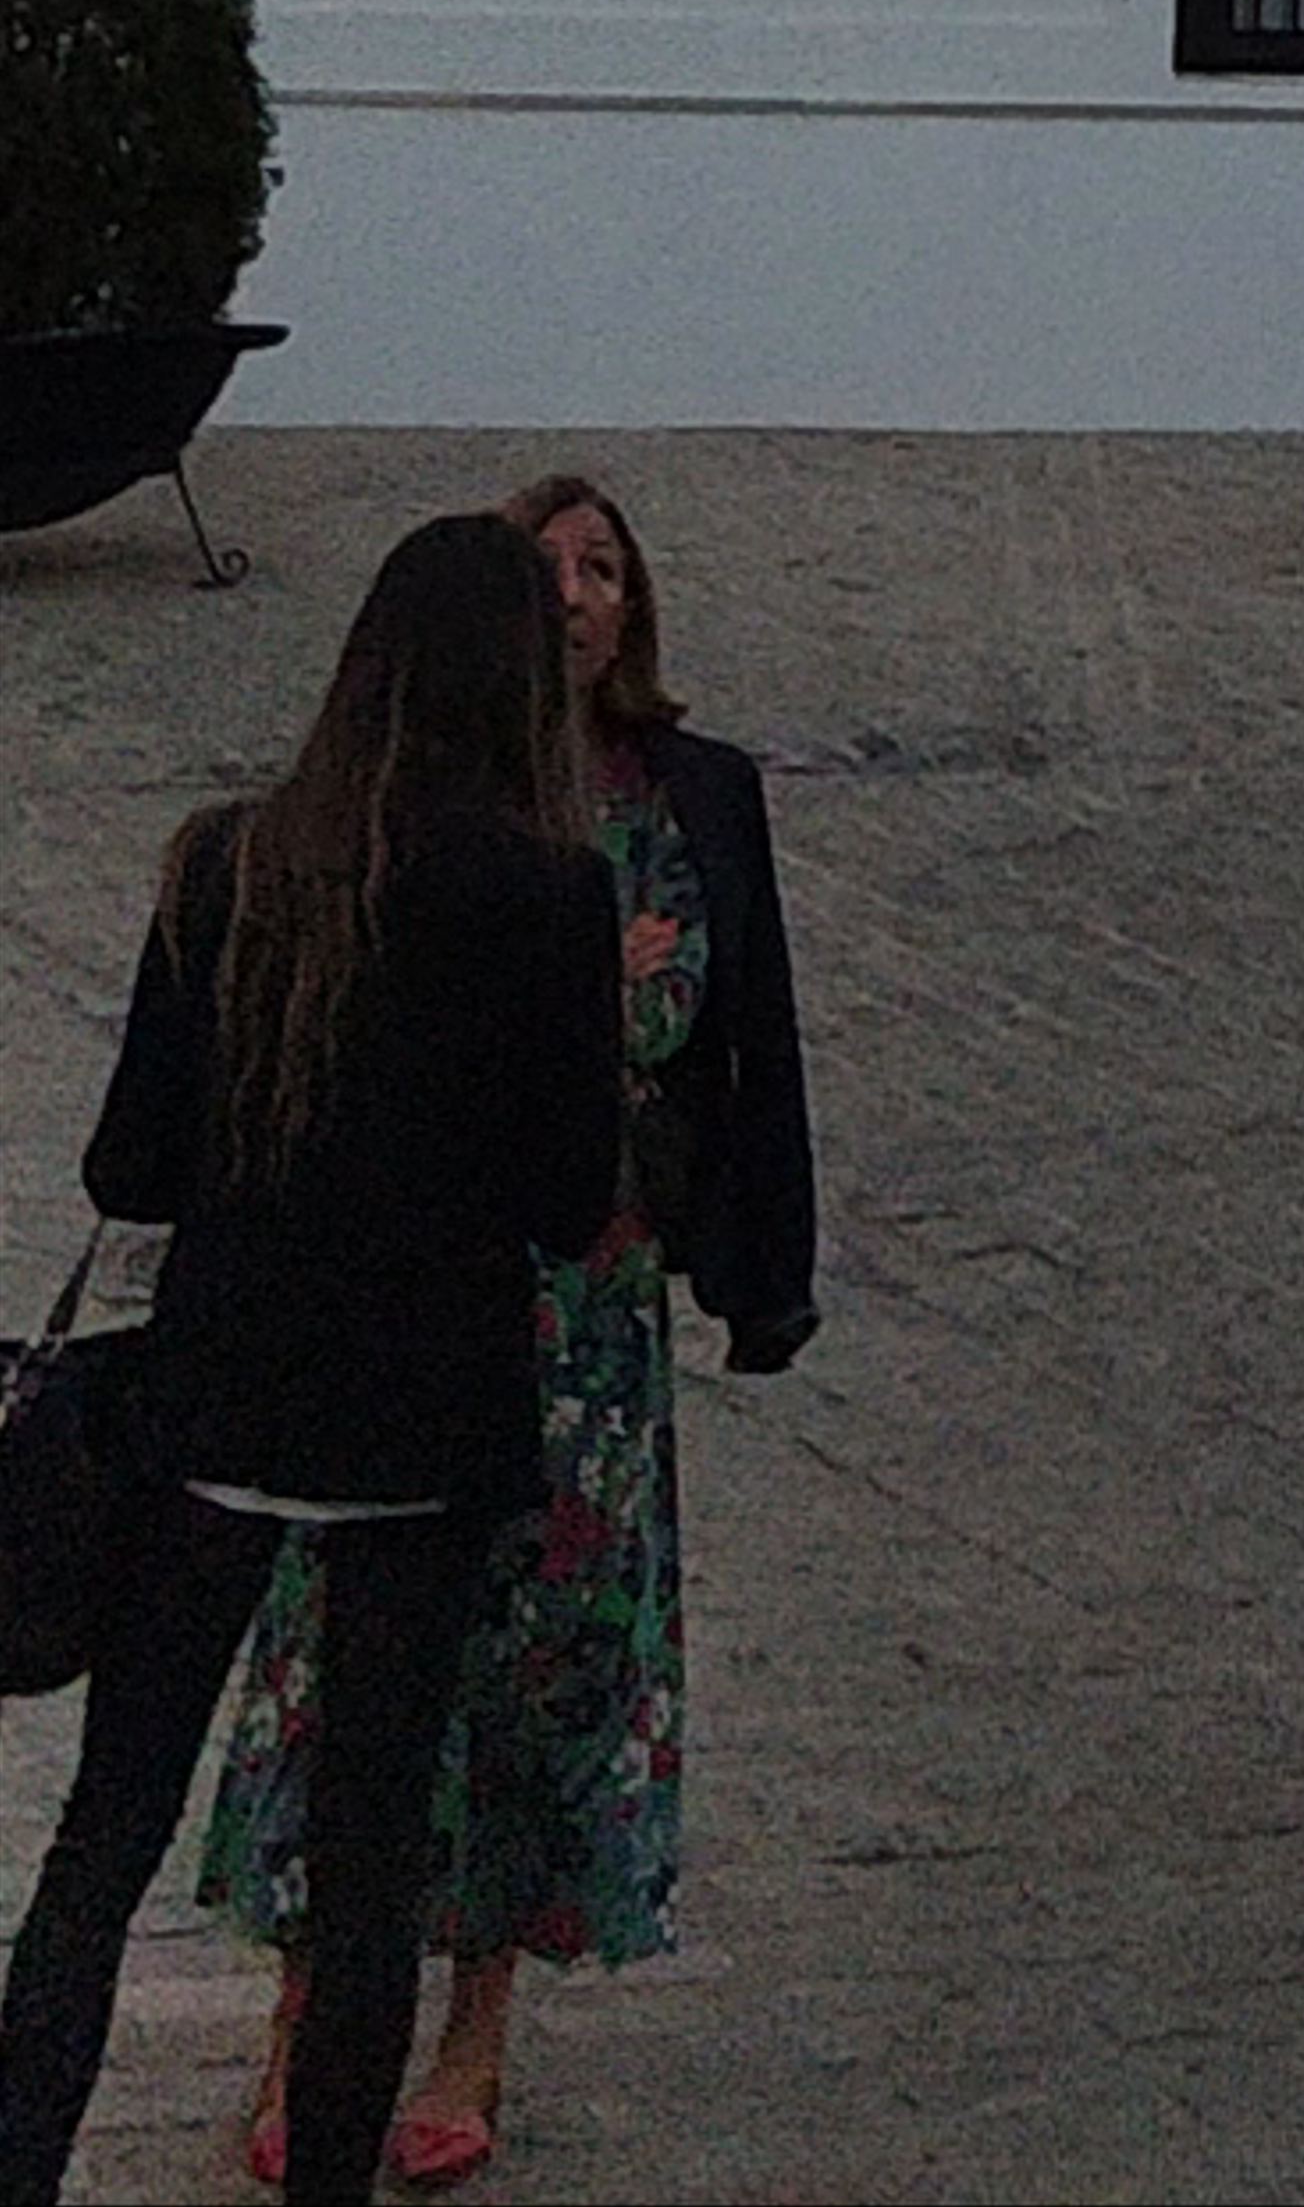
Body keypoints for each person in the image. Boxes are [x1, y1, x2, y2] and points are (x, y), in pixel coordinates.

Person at [0, 518, 622, 2207]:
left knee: (104, 1839)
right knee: (366, 1869)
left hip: (214, 1410)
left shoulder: (228, 863)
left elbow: (128, 1165)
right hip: (421, 1430)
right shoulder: (554, 892)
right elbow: (572, 1201)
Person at [207, 472, 817, 2188]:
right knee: (344, 1653)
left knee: (546, 1662)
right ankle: (307, 2015)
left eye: (604, 567)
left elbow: (730, 1024)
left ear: (638, 606)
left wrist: (765, 1270)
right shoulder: (415, 797)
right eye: (544, 566)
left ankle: (477, 2021)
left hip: (591, 1318)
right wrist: (585, 984)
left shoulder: (689, 793)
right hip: (409, 1291)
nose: (575, 594)